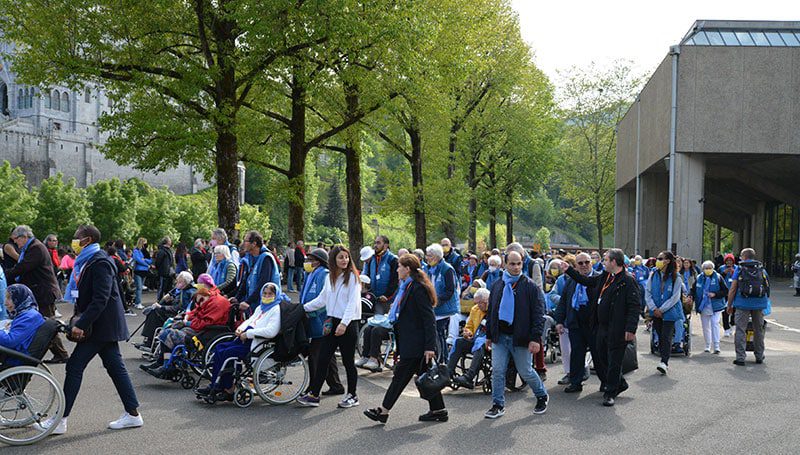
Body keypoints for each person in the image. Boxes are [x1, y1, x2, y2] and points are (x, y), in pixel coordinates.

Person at [41, 225, 142, 435]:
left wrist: (81, 323)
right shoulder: (89, 260)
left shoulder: (100, 262)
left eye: (77, 238)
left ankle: (60, 419)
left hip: (100, 326)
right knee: (115, 367)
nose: (73, 242)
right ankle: (133, 414)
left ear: (87, 240)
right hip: (102, 326)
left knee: (75, 367)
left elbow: (101, 298)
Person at [364, 254, 447, 424]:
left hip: (417, 344)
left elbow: (429, 319)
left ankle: (383, 411)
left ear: (407, 269)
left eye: (400, 266)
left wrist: (430, 347)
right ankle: (439, 410)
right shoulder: (408, 286)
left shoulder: (418, 288)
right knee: (425, 376)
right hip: (413, 342)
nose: (397, 269)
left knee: (400, 377)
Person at [562, 248, 639, 407]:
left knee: (614, 361)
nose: (602, 262)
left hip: (617, 328)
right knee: (602, 357)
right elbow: (587, 281)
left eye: (605, 260)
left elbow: (634, 306)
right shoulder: (605, 276)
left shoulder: (627, 280)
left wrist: (630, 329)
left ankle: (610, 392)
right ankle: (620, 383)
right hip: (601, 326)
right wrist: (569, 270)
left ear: (613, 262)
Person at [483, 251, 548, 419]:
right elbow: (491, 313)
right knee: (497, 371)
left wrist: (535, 338)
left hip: (521, 338)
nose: (516, 267)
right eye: (512, 264)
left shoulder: (530, 286)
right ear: (505, 264)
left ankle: (541, 395)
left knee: (525, 371)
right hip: (500, 337)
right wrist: (489, 335)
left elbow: (538, 314)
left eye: (519, 263)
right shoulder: (498, 285)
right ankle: (498, 405)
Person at [298, 245, 362, 409]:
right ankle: (314, 394)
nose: (344, 260)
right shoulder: (330, 278)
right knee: (323, 358)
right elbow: (322, 299)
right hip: (332, 321)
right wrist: (301, 308)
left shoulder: (353, 278)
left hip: (348, 323)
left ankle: (352, 395)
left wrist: (344, 323)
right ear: (333, 260)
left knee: (348, 361)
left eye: (346, 257)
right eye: (340, 257)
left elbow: (352, 303)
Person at [196, 282, 284, 401]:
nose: (267, 296)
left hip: (256, 343)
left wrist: (248, 334)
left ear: (276, 295)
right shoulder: (261, 307)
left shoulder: (276, 309)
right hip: (245, 337)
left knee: (227, 353)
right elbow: (250, 320)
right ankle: (221, 384)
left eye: (270, 294)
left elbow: (271, 331)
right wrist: (240, 328)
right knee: (219, 348)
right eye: (265, 293)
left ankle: (226, 387)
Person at [144, 276, 231, 377]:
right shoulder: (209, 297)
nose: (196, 288)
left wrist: (187, 323)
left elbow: (206, 322)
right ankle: (162, 362)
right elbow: (196, 312)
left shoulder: (217, 302)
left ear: (205, 286)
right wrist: (186, 316)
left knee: (168, 334)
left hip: (204, 332)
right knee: (168, 329)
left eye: (199, 286)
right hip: (198, 328)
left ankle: (167, 366)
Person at [5, 225, 68, 364]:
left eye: (16, 239)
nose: (15, 242)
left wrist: (5, 274)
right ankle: (60, 354)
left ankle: (61, 354)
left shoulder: (35, 247)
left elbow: (24, 267)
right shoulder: (32, 247)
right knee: (47, 324)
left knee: (48, 325)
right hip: (41, 290)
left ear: (24, 237)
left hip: (43, 292)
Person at [301, 248, 344, 396]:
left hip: (321, 320)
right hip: (313, 319)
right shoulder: (311, 274)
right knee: (326, 355)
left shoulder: (324, 275)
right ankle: (336, 385)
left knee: (315, 355)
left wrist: (307, 310)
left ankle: (313, 387)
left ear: (318, 261)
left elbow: (322, 301)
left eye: (310, 260)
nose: (307, 262)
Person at [554, 252, 598, 392]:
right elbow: (563, 302)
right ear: (576, 266)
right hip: (575, 323)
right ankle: (575, 382)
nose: (584, 265)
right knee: (576, 354)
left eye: (587, 262)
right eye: (580, 263)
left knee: (598, 355)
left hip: (594, 324)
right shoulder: (571, 281)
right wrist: (559, 321)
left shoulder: (599, 278)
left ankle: (606, 383)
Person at [727, 248, 769, 366]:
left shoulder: (739, 269)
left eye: (741, 255)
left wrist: (729, 305)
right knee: (758, 330)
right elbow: (767, 287)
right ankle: (759, 355)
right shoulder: (761, 269)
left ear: (744, 256)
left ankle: (740, 357)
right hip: (759, 304)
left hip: (742, 303)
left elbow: (733, 288)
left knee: (740, 329)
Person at [644, 251, 683, 375]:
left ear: (668, 261)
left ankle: (664, 362)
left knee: (666, 336)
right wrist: (654, 308)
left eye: (661, 258)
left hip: (669, 312)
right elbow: (648, 292)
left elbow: (675, 297)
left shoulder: (676, 277)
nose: (658, 260)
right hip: (655, 311)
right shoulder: (653, 274)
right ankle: (663, 357)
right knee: (660, 336)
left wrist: (662, 309)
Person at [135, 271, 196, 349]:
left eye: (180, 282)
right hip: (174, 311)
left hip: (178, 314)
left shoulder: (188, 292)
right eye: (177, 281)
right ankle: (149, 340)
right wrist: (164, 300)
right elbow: (166, 300)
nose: (177, 283)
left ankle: (149, 342)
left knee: (155, 313)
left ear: (186, 282)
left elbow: (180, 308)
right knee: (153, 310)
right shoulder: (180, 289)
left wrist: (162, 307)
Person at [424, 243, 459, 364]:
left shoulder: (447, 269)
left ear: (436, 257)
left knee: (439, 332)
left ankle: (444, 360)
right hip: (434, 307)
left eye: (429, 255)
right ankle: (442, 360)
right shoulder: (429, 269)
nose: (427, 258)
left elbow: (450, 290)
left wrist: (436, 300)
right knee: (437, 333)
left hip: (445, 308)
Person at [448, 287, 489, 388]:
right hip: (475, 338)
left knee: (480, 343)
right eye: (477, 303)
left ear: (487, 300)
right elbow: (469, 325)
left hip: (488, 341)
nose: (478, 305)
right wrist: (467, 332)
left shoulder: (494, 310)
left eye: (480, 303)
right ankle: (448, 372)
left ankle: (469, 377)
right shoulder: (475, 309)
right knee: (458, 342)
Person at [236, 231, 280, 316]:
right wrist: (237, 298)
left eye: (245, 241)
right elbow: (245, 282)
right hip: (253, 305)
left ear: (254, 244)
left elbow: (263, 284)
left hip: (265, 306)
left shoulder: (266, 258)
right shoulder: (251, 258)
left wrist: (248, 301)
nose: (243, 244)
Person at [0, 284, 45, 365]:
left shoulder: (29, 317)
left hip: (15, 358)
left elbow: (10, 341)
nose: (5, 303)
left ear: (19, 298)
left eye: (9, 298)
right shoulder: (26, 314)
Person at [692, 261, 728, 354]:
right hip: (703, 305)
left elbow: (725, 291)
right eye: (706, 268)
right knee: (705, 326)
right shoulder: (699, 278)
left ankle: (716, 345)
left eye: (710, 268)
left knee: (714, 323)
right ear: (703, 269)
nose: (708, 270)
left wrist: (715, 294)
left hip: (716, 305)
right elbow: (693, 290)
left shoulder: (719, 277)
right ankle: (707, 345)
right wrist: (689, 297)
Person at [362, 235, 399, 314]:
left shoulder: (392, 259)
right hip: (373, 297)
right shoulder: (372, 258)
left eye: (378, 243)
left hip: (388, 299)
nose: (375, 245)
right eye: (375, 243)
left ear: (386, 245)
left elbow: (395, 280)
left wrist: (387, 295)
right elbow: (367, 276)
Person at [719, 254, 738, 337]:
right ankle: (726, 328)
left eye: (730, 261)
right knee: (725, 311)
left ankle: (732, 324)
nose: (729, 262)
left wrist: (733, 272)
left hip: (734, 292)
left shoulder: (737, 268)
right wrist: (724, 273)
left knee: (734, 310)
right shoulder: (721, 268)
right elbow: (718, 279)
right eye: (727, 261)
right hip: (725, 293)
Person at [132, 238, 152, 310]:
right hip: (138, 271)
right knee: (139, 288)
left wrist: (145, 260)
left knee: (139, 288)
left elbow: (150, 260)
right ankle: (138, 303)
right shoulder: (136, 251)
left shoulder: (144, 251)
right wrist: (147, 264)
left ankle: (136, 301)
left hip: (144, 271)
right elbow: (138, 260)